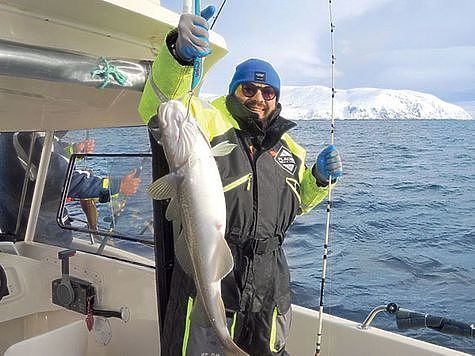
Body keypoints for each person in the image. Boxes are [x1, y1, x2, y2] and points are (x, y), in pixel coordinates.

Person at [138, 8, 343, 356]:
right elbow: (160, 108)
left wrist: (319, 180)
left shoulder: (290, 148)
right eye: (249, 88)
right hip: (211, 265)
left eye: (268, 92)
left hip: (270, 284)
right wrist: (177, 56)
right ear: (234, 89)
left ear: (277, 98)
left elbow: (297, 204)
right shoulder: (205, 118)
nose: (258, 98)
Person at [0, 131, 141, 247]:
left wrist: (73, 150)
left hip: (13, 225)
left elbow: (40, 162)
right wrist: (117, 186)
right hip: (44, 232)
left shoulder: (8, 134)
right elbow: (68, 180)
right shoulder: (36, 137)